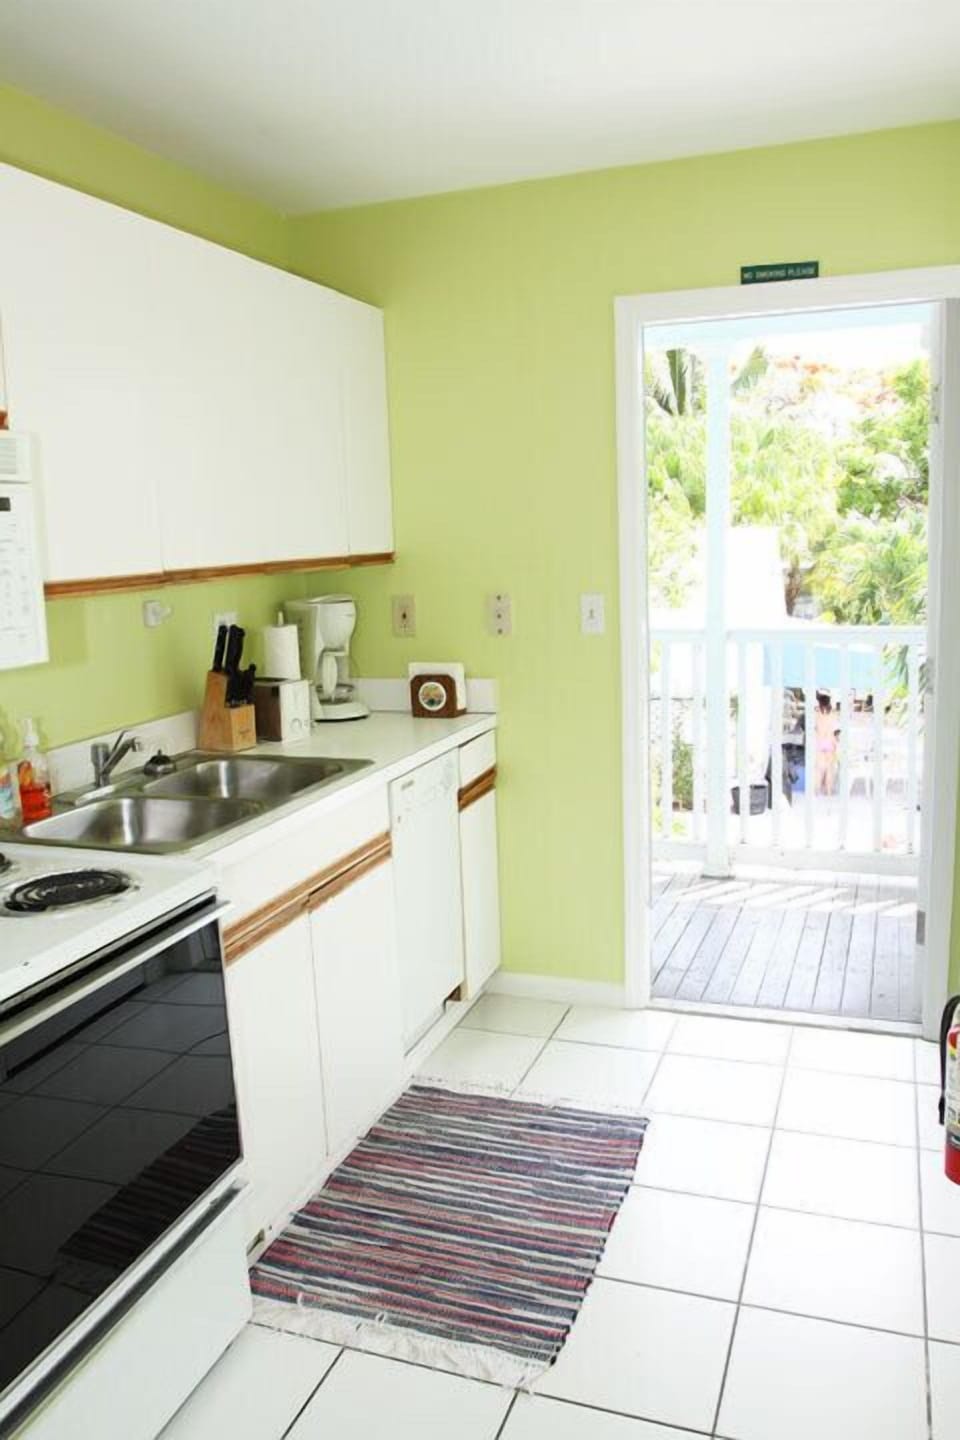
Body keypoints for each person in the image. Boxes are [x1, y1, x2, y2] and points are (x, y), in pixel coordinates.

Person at [813, 690, 839, 796]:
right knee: (830, 768)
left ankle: (817, 790)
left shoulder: (815, 713)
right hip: (830, 741)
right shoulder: (834, 713)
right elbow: (836, 729)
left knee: (819, 768)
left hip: (819, 741)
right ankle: (828, 790)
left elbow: (813, 727)